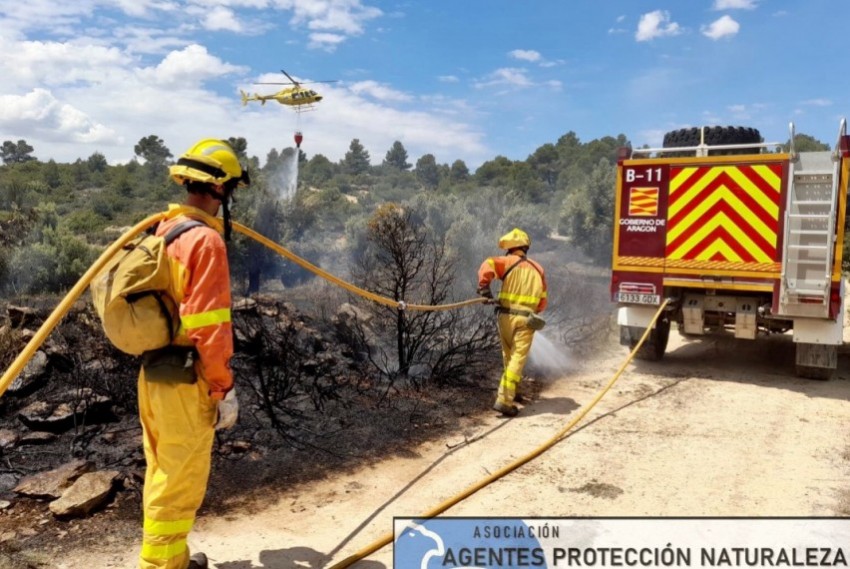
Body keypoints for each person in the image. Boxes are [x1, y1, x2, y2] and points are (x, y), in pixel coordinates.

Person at [137, 139, 249, 569]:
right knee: (179, 482)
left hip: (152, 373)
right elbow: (209, 326)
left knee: (163, 472)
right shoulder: (205, 241)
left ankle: (176, 560)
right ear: (220, 189)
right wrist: (224, 387)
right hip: (185, 380)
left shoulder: (163, 230)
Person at [477, 228, 548, 417]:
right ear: (525, 248)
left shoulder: (506, 262)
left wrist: (484, 289)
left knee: (509, 356)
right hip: (526, 320)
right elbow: (542, 301)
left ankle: (512, 392)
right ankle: (504, 400)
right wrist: (532, 308)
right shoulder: (538, 269)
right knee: (518, 358)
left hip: (505, 317)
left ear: (510, 248)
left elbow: (487, 264)